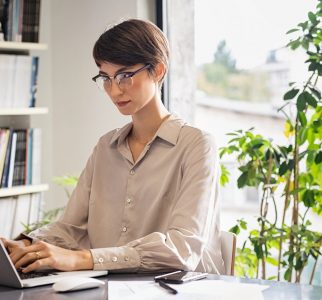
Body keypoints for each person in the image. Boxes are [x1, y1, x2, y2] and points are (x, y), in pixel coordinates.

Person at [1, 19, 225, 275]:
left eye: (125, 75)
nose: (114, 90)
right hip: (110, 288)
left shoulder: (197, 145)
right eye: (106, 78)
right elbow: (70, 228)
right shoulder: (105, 148)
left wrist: (81, 259)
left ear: (159, 71)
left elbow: (181, 248)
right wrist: (24, 246)